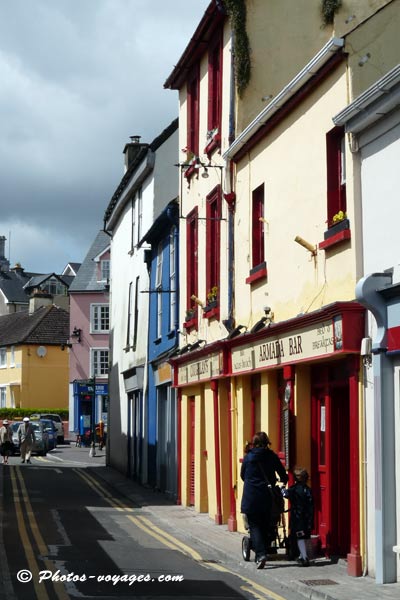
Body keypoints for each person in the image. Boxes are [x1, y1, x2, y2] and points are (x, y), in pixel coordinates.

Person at [241, 431, 288, 569]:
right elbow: (282, 474)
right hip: (267, 496)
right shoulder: (272, 456)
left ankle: (261, 555)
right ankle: (266, 548)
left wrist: (252, 482)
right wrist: (283, 481)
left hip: (250, 497)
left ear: (254, 443)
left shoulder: (248, 457)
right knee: (267, 523)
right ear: (267, 442)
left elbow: (243, 475)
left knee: (254, 525)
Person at [284, 467, 314, 566]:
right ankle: (303, 555)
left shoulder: (294, 489)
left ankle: (305, 558)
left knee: (299, 537)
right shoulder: (308, 490)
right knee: (305, 535)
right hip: (307, 516)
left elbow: (285, 494)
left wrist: (282, 489)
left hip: (298, 516)